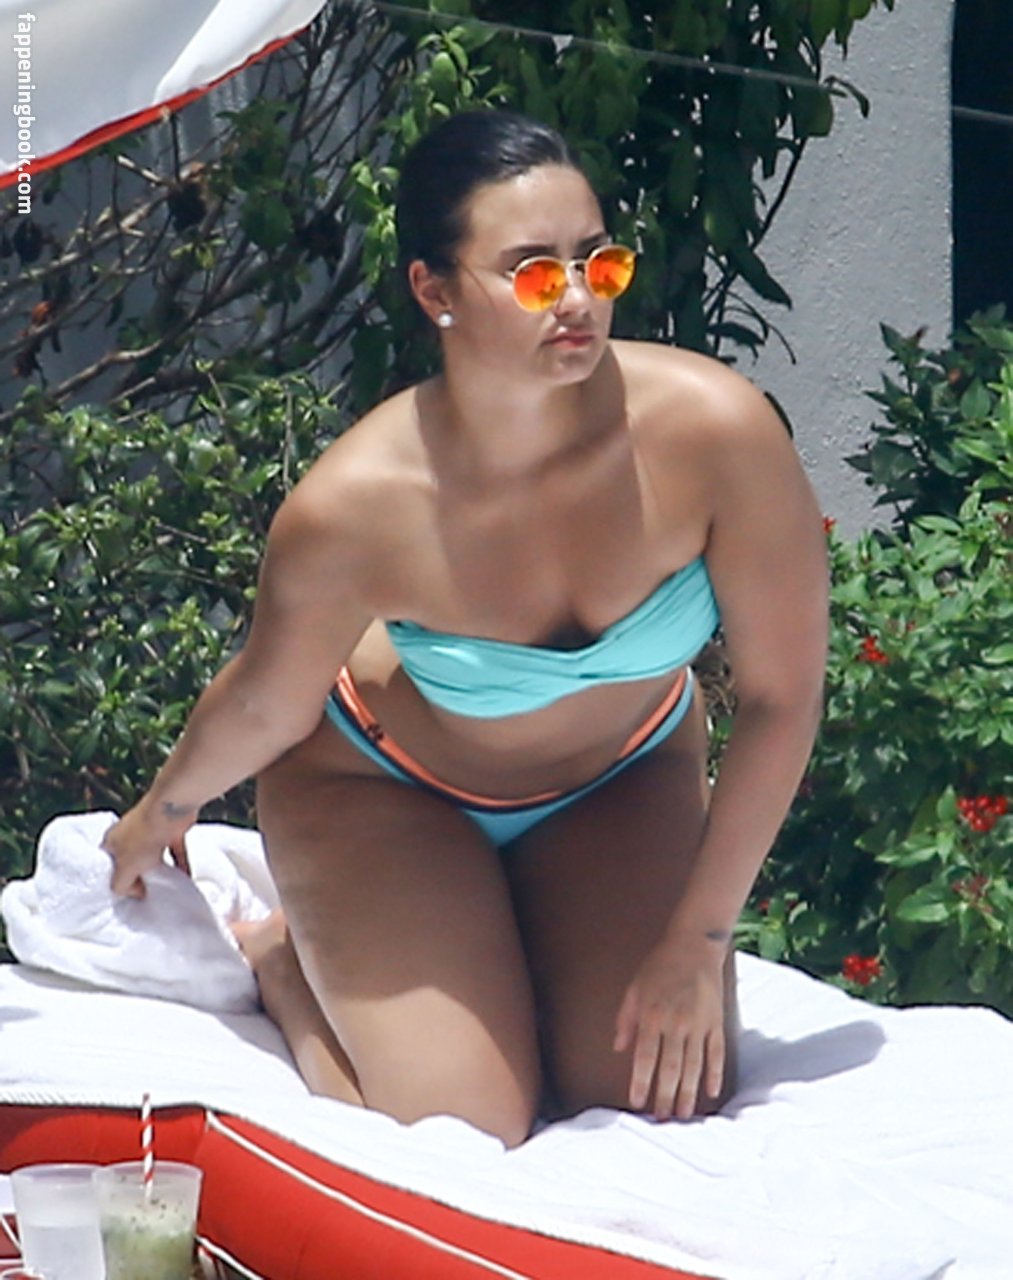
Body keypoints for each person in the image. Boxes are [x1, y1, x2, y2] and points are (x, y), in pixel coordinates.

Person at [103, 109, 827, 1148]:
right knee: (460, 1135)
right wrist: (159, 812)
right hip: (385, 789)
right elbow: (267, 695)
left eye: (598, 263)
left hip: (620, 778)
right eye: (531, 274)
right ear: (434, 290)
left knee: (656, 1096)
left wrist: (697, 940)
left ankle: (524, 937)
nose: (575, 299)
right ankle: (283, 966)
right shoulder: (360, 501)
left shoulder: (716, 430)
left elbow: (781, 696)